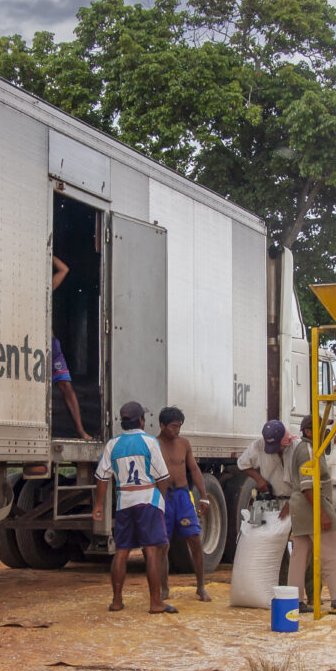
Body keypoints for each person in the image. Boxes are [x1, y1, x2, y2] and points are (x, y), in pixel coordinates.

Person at [93, 401, 176, 614]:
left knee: (122, 551)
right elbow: (163, 477)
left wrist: (99, 505)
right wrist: (162, 501)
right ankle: (155, 602)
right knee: (151, 550)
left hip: (124, 501)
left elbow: (102, 477)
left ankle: (117, 601)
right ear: (141, 420)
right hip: (148, 499)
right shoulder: (149, 442)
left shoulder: (113, 444)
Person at [284, 415, 336, 612]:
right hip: (311, 505)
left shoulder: (306, 448)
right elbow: (308, 487)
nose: (326, 432)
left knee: (300, 554)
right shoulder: (308, 450)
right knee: (334, 548)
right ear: (309, 432)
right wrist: (322, 514)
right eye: (321, 428)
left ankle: (294, 600)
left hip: (301, 508)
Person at [157, 406, 211, 602]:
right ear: (162, 425)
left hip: (182, 495)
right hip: (162, 497)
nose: (177, 430)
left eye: (179, 426)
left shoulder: (184, 443)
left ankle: (201, 586)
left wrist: (203, 496)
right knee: (163, 545)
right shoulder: (153, 444)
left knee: (195, 539)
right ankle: (164, 588)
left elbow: (194, 470)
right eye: (173, 426)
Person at [51, 255, 91, 440]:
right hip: (30, 345)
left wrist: (47, 251)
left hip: (51, 345)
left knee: (66, 386)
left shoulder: (46, 288)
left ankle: (80, 430)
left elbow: (64, 269)